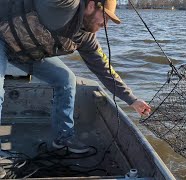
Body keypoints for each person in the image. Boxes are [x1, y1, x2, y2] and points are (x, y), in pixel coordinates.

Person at [0, 0, 151, 154]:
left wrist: (132, 99)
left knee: (66, 79)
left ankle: (63, 138)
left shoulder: (86, 39)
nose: (105, 25)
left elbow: (105, 70)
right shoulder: (65, 4)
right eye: (105, 17)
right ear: (91, 5)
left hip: (24, 54)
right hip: (2, 37)